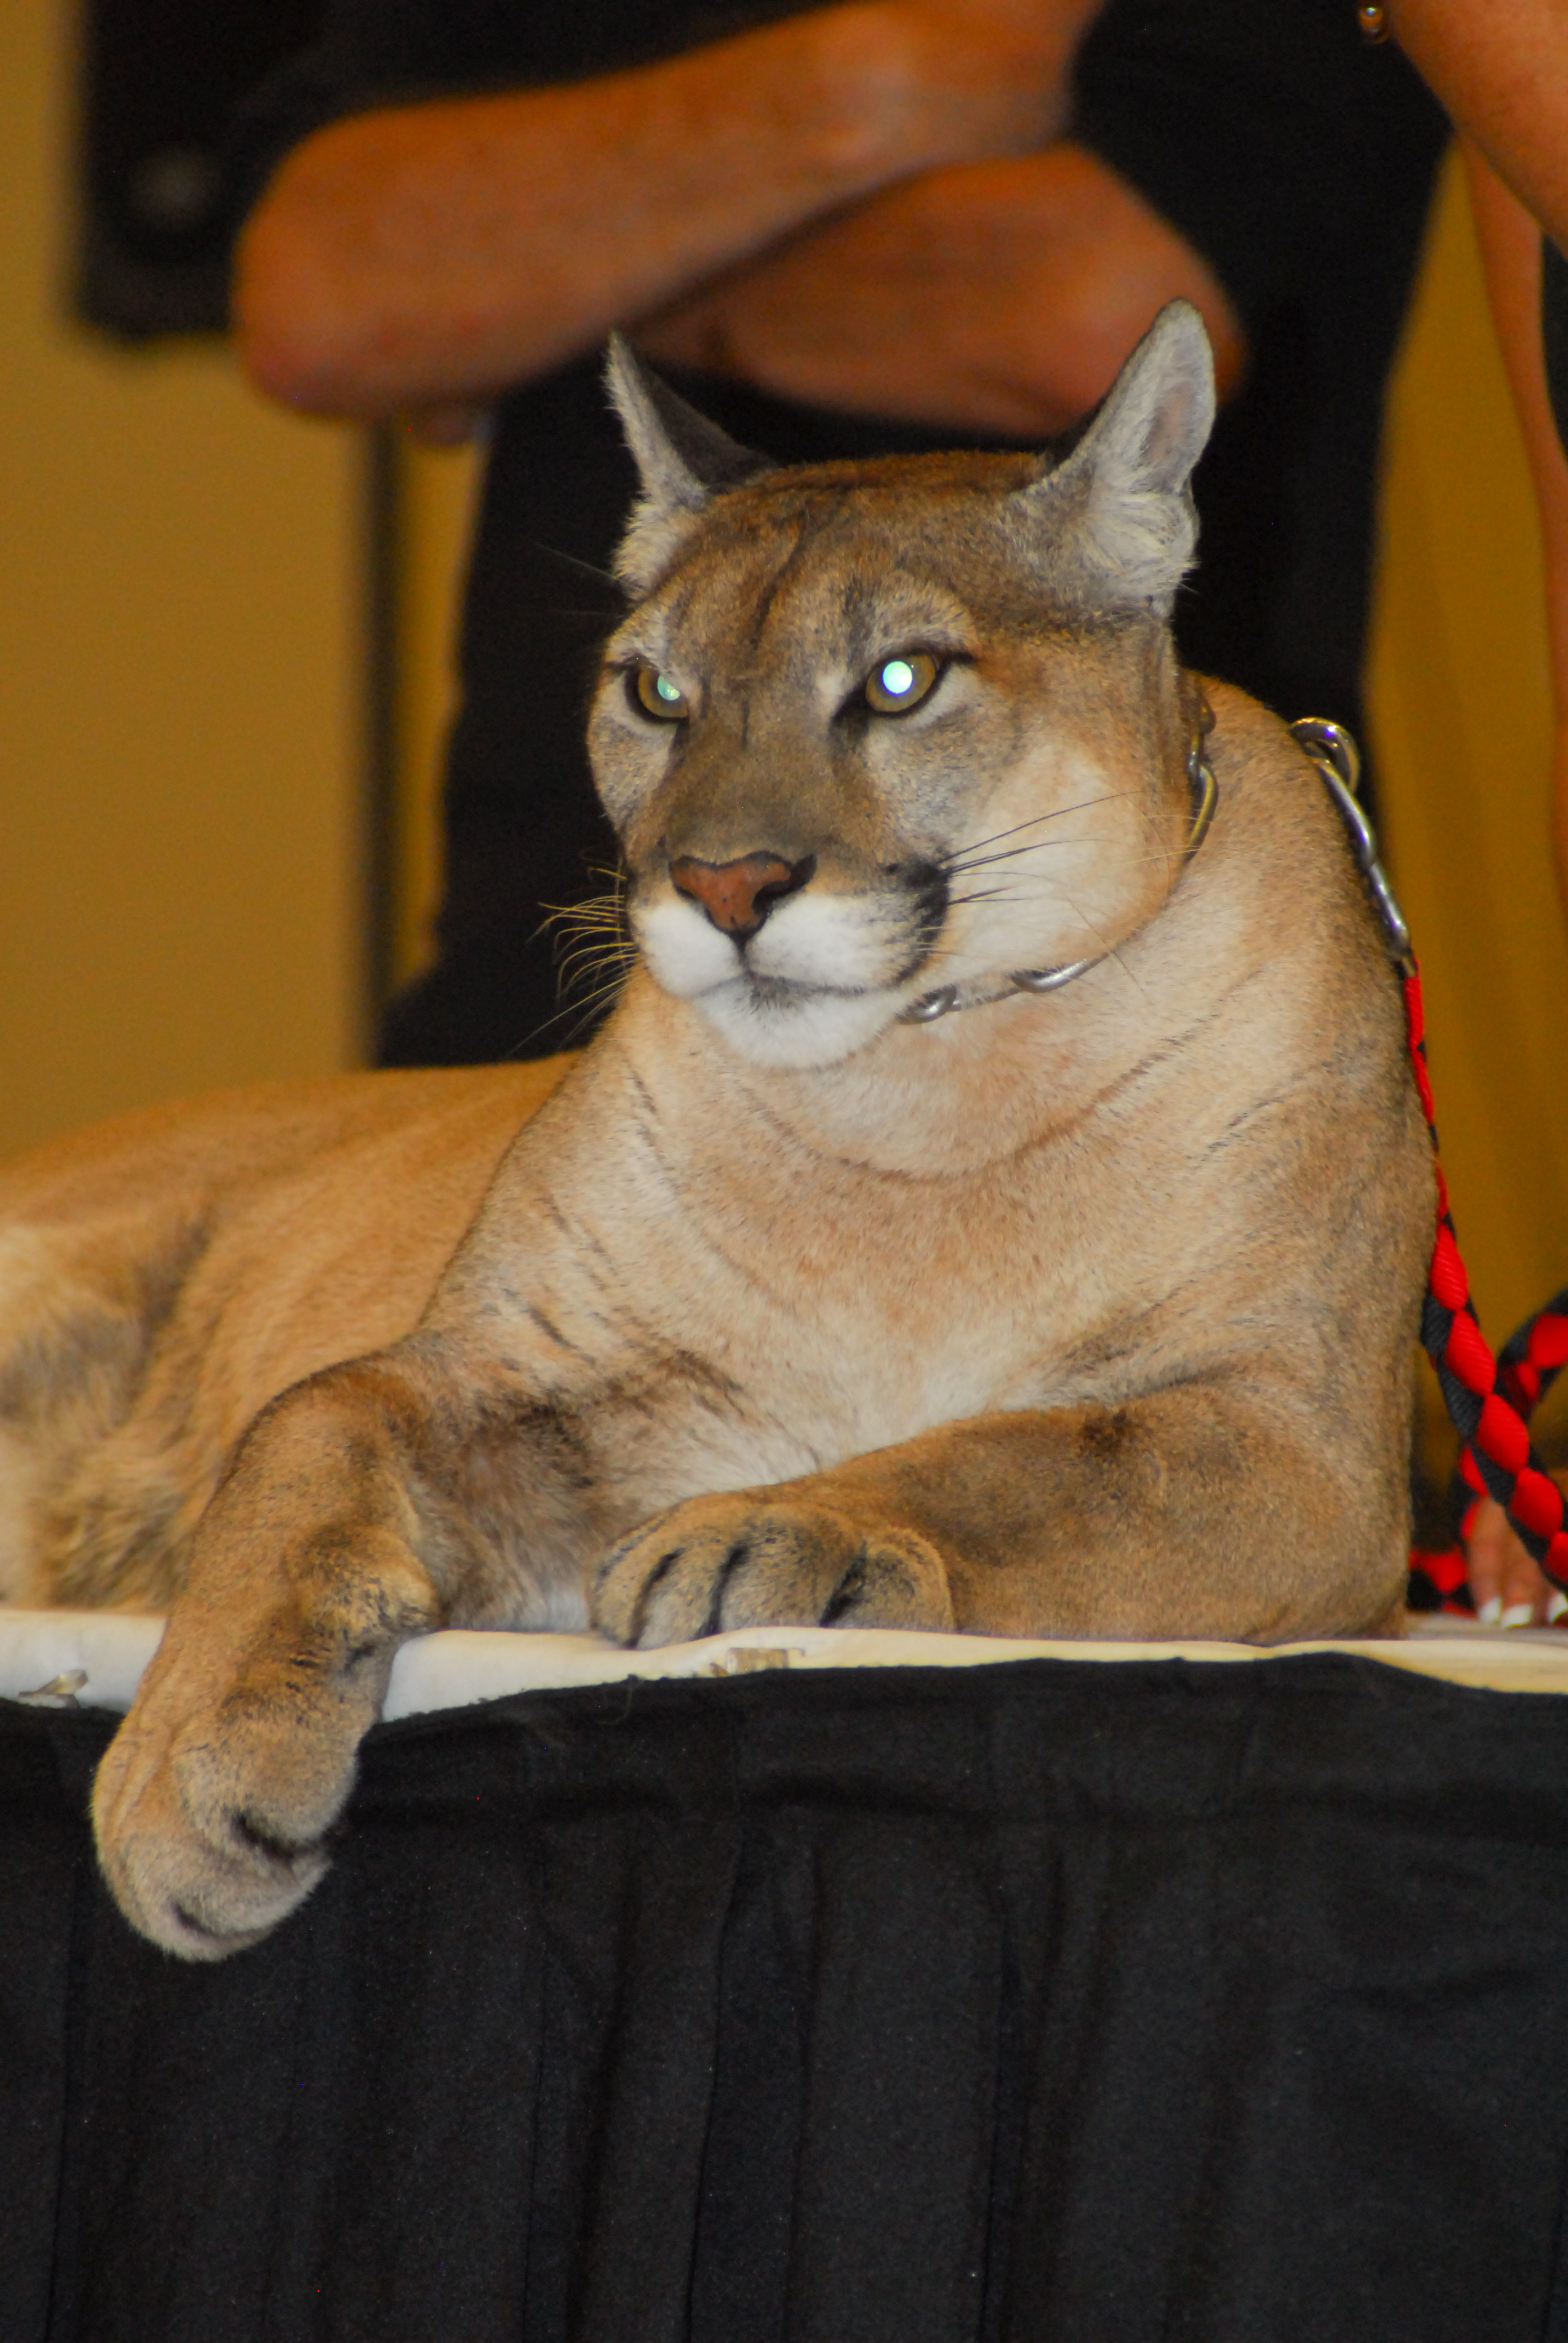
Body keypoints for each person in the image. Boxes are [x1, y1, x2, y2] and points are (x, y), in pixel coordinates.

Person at [228, 0, 1446, 1068]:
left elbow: (1093, 316)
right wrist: (871, 82)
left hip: (1131, 1018)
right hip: (551, 1003)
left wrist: (524, 279)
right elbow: (316, 295)